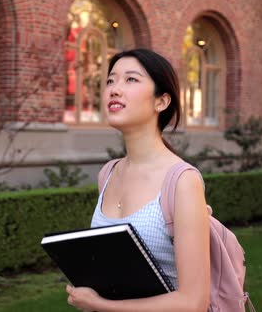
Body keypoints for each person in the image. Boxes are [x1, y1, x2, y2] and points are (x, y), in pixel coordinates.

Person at [65, 49, 211, 312]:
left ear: (161, 101)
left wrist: (100, 304)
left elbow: (194, 302)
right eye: (110, 80)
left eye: (130, 80)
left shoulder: (182, 181)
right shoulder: (108, 174)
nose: (114, 89)